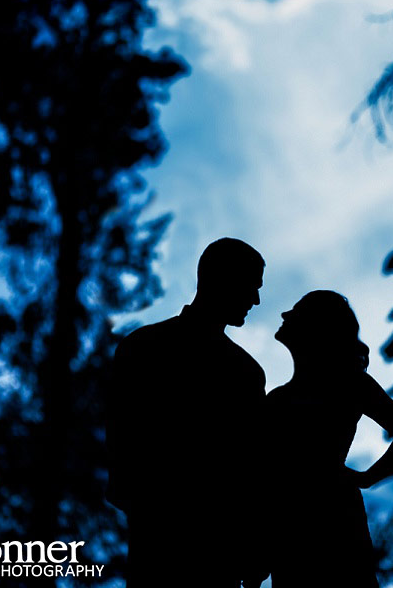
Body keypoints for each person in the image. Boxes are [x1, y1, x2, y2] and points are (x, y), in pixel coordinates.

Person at [106, 238, 269, 587]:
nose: (256, 300)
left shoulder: (140, 346)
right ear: (221, 279)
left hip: (186, 549)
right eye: (251, 288)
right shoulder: (243, 372)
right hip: (179, 549)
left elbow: (252, 468)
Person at [266, 290, 393, 588]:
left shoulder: (349, 384)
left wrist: (367, 478)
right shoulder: (277, 400)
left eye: (296, 310)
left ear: (316, 327)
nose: (285, 315)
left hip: (332, 524)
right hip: (291, 529)